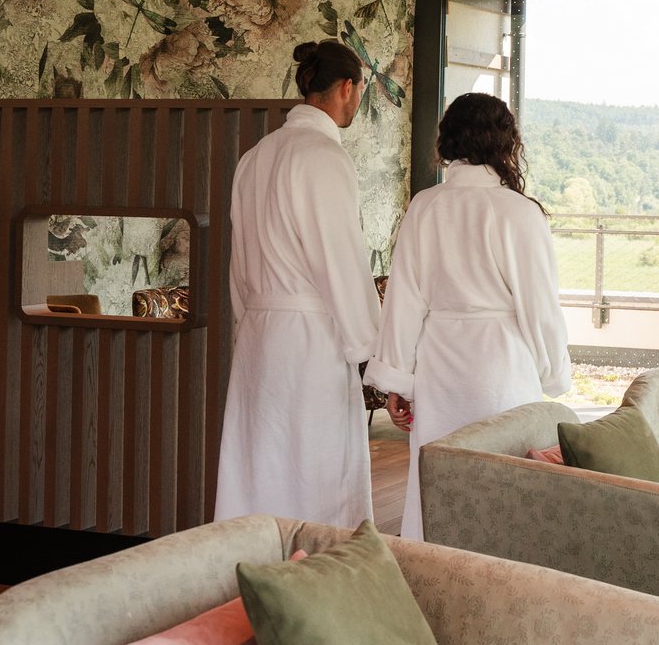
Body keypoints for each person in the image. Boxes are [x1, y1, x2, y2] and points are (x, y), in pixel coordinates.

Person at [374, 92, 571, 540]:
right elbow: (539, 306)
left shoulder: (425, 206)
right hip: (502, 365)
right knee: (503, 486)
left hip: (440, 366)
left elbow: (404, 298)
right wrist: (553, 374)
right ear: (506, 142)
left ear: (449, 139)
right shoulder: (520, 212)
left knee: (436, 481)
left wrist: (399, 381)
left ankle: (429, 573)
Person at [214, 40, 383, 528]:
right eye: (360, 91)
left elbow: (240, 262)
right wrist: (372, 353)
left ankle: (252, 567)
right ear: (347, 88)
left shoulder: (255, 157)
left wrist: (246, 326)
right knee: (315, 468)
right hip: (310, 342)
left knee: (260, 464)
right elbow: (342, 263)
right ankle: (316, 574)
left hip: (261, 337)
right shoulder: (324, 157)